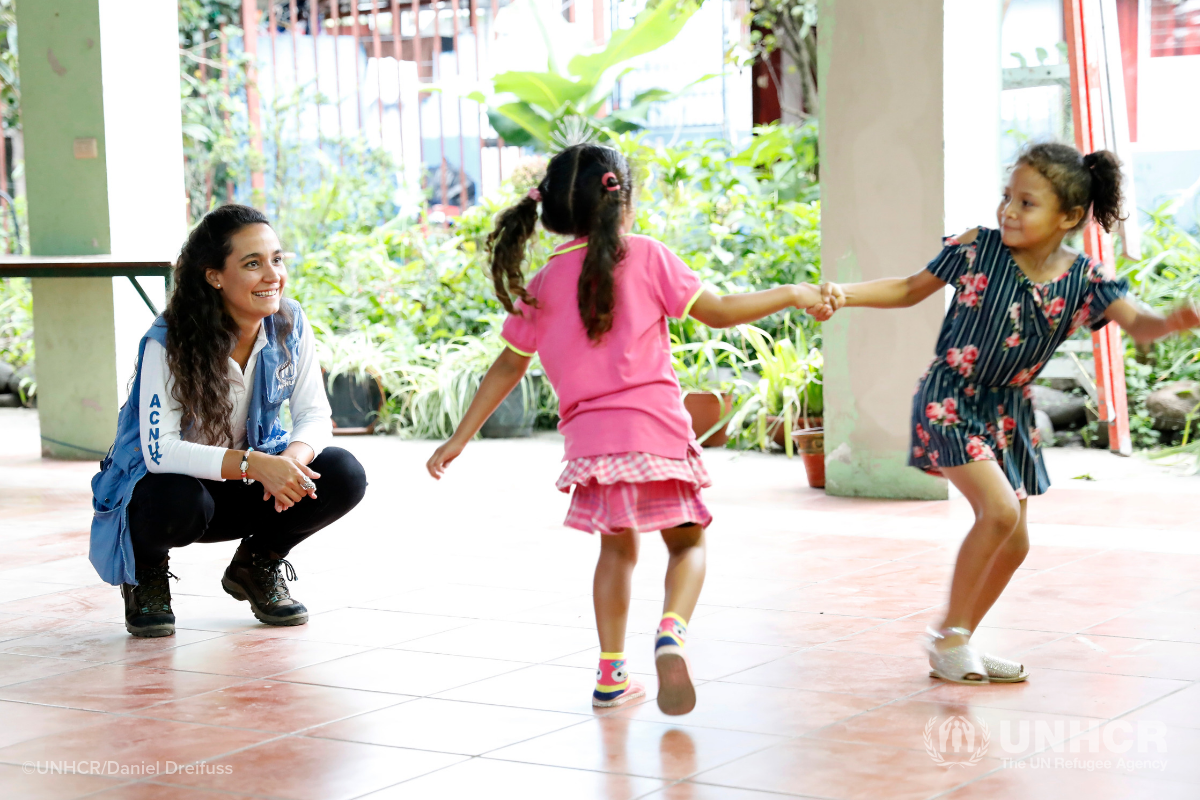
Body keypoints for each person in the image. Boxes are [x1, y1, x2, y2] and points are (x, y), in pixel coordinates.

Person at [426, 143, 829, 714]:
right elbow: (720, 310)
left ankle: (611, 676)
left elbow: (509, 364)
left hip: (592, 445)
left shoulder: (541, 282)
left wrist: (459, 437)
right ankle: (671, 632)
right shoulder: (647, 256)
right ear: (621, 197)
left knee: (617, 554)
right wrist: (793, 293)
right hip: (656, 431)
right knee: (688, 542)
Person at [819, 143, 1200, 684]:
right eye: (1007, 198)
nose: (1009, 211)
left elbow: (1140, 324)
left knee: (1016, 540)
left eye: (1027, 203)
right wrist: (842, 294)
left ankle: (960, 641)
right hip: (950, 398)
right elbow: (908, 289)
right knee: (997, 514)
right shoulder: (977, 249)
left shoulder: (1085, 279)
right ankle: (947, 636)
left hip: (1009, 411)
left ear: (1069, 217)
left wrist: (1177, 319)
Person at [90, 205, 368, 638]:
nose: (272, 274)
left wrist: (290, 464)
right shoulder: (169, 339)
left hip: (243, 489)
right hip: (175, 494)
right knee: (175, 498)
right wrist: (256, 464)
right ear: (214, 275)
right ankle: (145, 570)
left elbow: (314, 415)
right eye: (252, 264)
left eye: (277, 259)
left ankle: (257, 564)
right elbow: (160, 451)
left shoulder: (289, 324)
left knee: (343, 473)